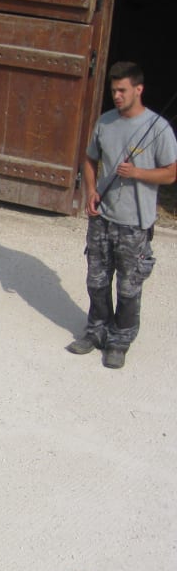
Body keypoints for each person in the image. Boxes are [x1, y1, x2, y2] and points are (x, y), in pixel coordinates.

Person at [67, 61, 177, 368]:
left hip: (134, 224)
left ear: (138, 90)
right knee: (96, 281)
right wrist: (90, 191)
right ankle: (96, 331)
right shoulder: (105, 122)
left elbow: (171, 174)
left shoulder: (158, 129)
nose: (116, 95)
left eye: (122, 90)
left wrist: (138, 172)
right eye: (113, 90)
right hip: (102, 218)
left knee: (129, 286)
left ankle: (120, 340)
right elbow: (89, 160)